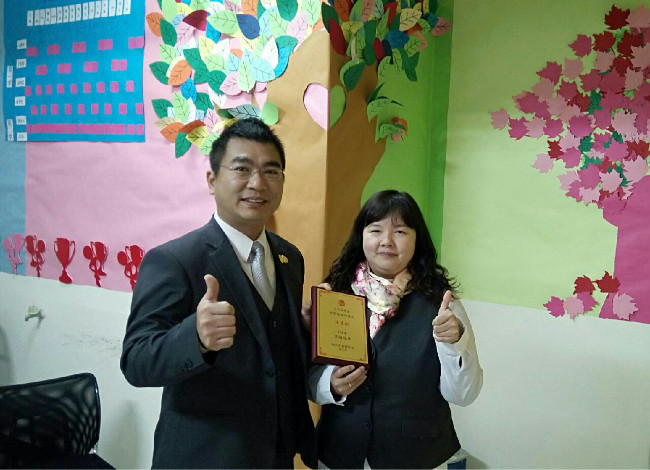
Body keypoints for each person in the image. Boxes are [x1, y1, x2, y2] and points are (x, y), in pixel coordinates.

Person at [120, 118, 317, 469]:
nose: (257, 183)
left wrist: (308, 333)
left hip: (277, 455)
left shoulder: (290, 258)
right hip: (206, 456)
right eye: (242, 168)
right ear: (212, 180)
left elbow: (275, 354)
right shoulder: (175, 260)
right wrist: (195, 337)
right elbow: (136, 361)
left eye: (271, 171)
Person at [306, 190, 483, 469]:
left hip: (417, 457)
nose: (386, 241)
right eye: (375, 230)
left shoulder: (441, 303)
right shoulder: (335, 294)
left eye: (400, 231)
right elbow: (306, 376)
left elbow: (464, 394)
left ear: (417, 240)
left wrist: (454, 342)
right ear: (361, 236)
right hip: (338, 452)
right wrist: (329, 385)